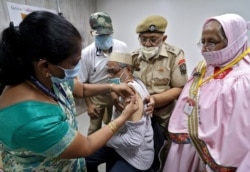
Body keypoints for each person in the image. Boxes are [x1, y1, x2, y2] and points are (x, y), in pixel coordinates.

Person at [0, 11, 138, 171]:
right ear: (44, 66)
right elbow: (87, 145)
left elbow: (82, 88)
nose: (77, 69)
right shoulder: (34, 120)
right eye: (74, 63)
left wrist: (112, 86)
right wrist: (124, 117)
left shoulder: (49, 76)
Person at [163, 13, 250, 172]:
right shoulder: (202, 68)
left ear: (234, 41)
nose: (204, 49)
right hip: (189, 151)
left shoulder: (244, 78)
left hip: (221, 158)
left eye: (212, 42)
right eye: (202, 42)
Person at [131, 15, 188, 171]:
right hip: (141, 115)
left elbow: (180, 88)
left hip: (165, 115)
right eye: (143, 39)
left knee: (163, 150)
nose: (148, 43)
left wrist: (155, 99)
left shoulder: (174, 55)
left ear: (164, 37)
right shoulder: (134, 57)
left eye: (153, 39)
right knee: (142, 152)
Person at [85, 51, 154, 172]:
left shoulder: (132, 93)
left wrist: (105, 140)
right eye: (108, 71)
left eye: (113, 71)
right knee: (86, 155)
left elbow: (134, 140)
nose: (110, 76)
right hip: (120, 143)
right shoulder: (125, 84)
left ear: (127, 69)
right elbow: (113, 85)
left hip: (135, 155)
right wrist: (114, 97)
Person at [78, 12, 128, 135]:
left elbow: (128, 70)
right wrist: (89, 105)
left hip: (118, 90)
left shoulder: (122, 47)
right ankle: (93, 153)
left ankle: (109, 148)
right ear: (92, 33)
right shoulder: (86, 54)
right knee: (95, 127)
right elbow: (83, 82)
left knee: (115, 124)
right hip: (97, 94)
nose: (105, 37)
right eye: (100, 34)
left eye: (108, 34)